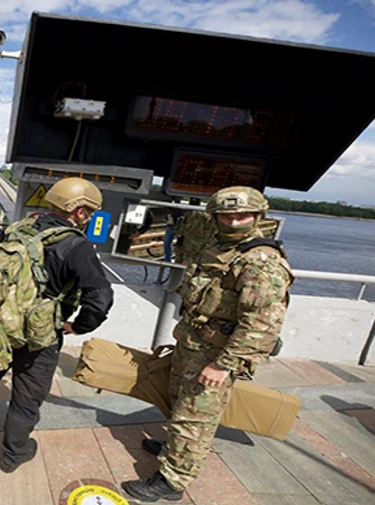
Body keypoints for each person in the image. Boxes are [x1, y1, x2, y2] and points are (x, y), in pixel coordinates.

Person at [121, 186, 293, 502]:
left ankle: (172, 482)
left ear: (258, 216)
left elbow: (261, 325)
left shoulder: (261, 261)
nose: (233, 221)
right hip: (193, 345)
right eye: (226, 215)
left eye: (242, 215)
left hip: (216, 356)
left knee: (195, 418)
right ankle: (175, 450)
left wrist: (223, 366)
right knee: (179, 406)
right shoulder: (219, 246)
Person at [0, 177, 114, 473]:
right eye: (88, 212)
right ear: (78, 211)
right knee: (27, 395)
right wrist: (79, 327)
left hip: (1, 322)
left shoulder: (19, 228)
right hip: (40, 334)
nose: (88, 218)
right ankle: (14, 454)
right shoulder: (77, 245)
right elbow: (101, 297)